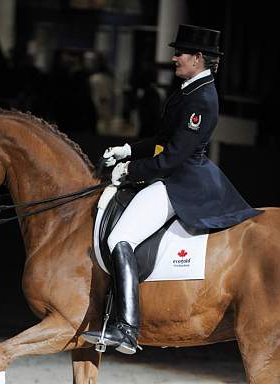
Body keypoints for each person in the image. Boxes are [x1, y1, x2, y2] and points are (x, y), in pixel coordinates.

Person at [82, 24, 262, 355]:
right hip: (173, 172)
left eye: (180, 53)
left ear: (198, 58)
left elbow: (174, 157)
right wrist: (128, 150)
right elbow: (165, 140)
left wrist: (130, 171)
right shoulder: (189, 88)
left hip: (183, 180)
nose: (174, 57)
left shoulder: (203, 98)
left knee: (119, 239)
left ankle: (127, 329)